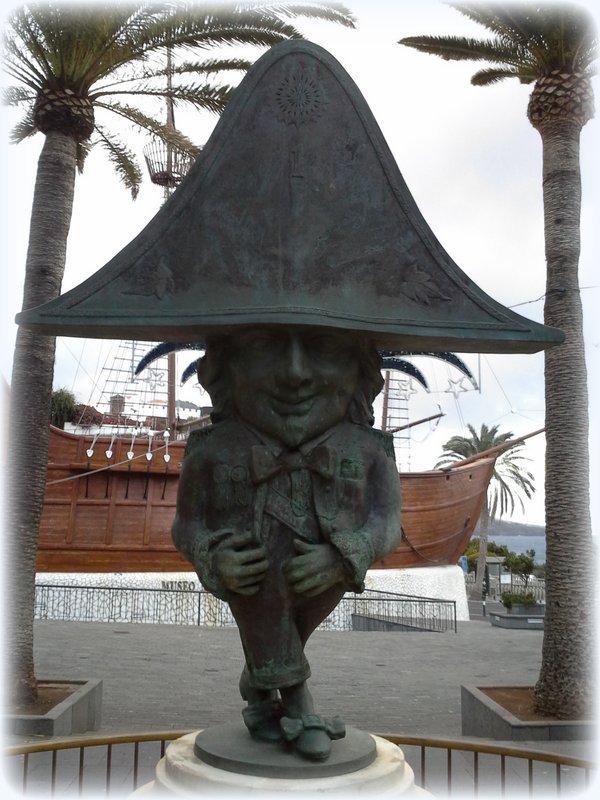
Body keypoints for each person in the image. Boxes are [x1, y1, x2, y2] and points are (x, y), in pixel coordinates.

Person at [172, 324, 401, 761]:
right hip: (252, 573)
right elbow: (186, 525)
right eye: (263, 346)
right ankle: (299, 705)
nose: (295, 374)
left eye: (325, 347)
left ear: (360, 369)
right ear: (225, 367)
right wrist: (212, 557)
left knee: (274, 587)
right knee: (261, 574)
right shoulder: (210, 448)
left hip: (330, 570)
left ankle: (259, 679)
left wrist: (347, 555)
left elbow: (388, 524)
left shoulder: (372, 450)